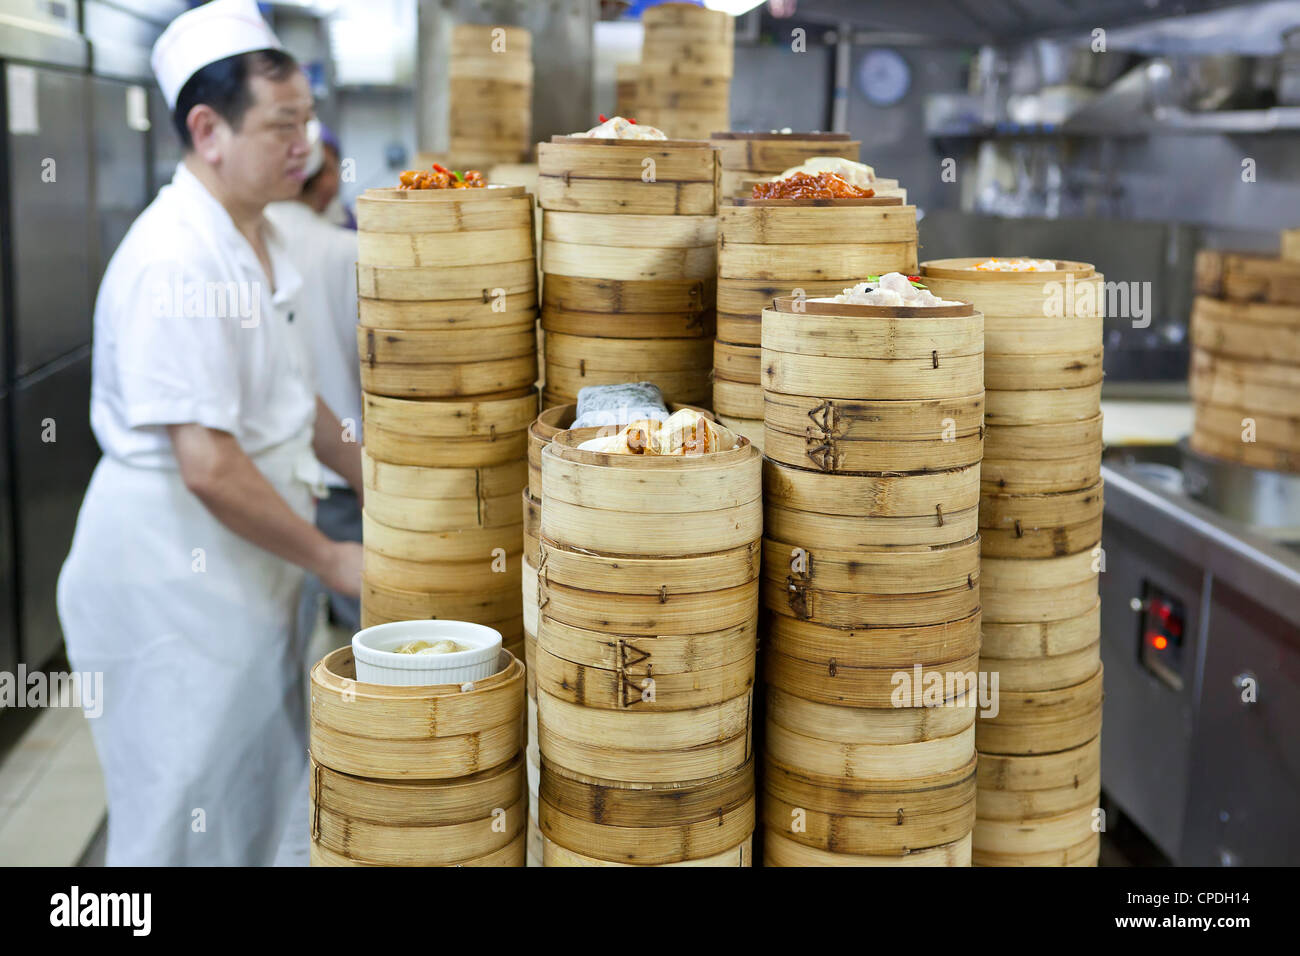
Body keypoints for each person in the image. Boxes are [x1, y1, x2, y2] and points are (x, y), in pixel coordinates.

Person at [57, 0, 363, 866]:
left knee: (252, 796)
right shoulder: (175, 259)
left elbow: (287, 399)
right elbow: (208, 464)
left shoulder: (257, 237)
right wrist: (333, 558)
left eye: (308, 120)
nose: (304, 143)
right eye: (282, 125)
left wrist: (379, 478)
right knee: (179, 809)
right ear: (208, 129)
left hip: (243, 569)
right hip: (170, 577)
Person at [266, 125, 363, 637]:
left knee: (295, 630)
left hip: (284, 477)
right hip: (341, 477)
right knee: (362, 634)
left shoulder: (258, 241)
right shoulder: (344, 249)